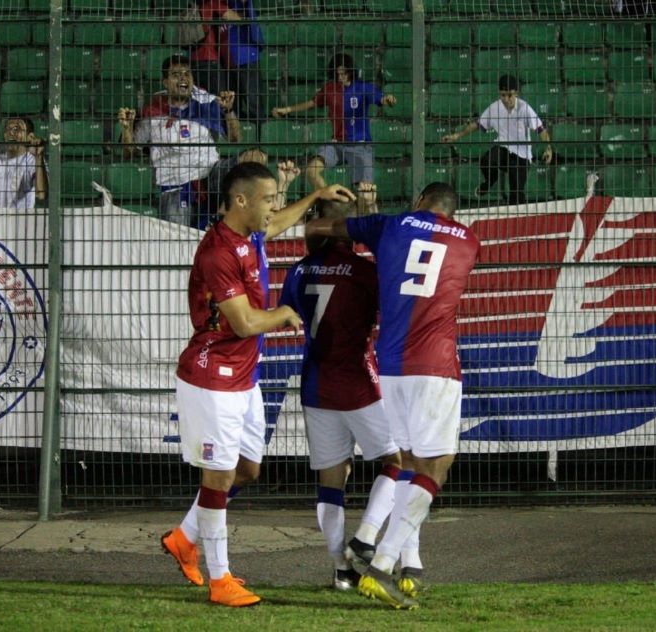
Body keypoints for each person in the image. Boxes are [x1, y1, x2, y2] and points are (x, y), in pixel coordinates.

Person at [161, 162, 355, 607]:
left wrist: (315, 195)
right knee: (219, 475)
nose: (274, 206)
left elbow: (278, 222)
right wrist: (284, 314)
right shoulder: (218, 253)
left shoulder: (250, 234)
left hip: (244, 375)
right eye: (268, 199)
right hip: (214, 377)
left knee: (247, 469)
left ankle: (184, 538)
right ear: (241, 200)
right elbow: (245, 323)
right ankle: (220, 579)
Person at [305, 182, 480, 609]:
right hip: (436, 364)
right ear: (451, 211)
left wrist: (334, 215)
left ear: (419, 201)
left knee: (408, 464)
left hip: (391, 366)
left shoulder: (389, 225)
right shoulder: (469, 240)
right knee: (436, 467)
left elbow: (326, 229)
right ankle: (381, 562)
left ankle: (402, 560)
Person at [277, 193, 403, 592]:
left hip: (316, 383)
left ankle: (340, 570)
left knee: (332, 478)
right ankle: (365, 538)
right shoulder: (365, 272)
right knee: (399, 461)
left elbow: (290, 316)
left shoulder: (298, 271)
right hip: (358, 381)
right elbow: (392, 313)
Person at [117, 55, 240, 229]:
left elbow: (235, 139)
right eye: (176, 75)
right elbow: (129, 153)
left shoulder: (206, 105)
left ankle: (222, 219)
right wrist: (127, 128)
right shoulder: (152, 111)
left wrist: (228, 111)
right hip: (175, 185)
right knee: (176, 238)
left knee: (252, 158)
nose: (183, 78)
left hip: (211, 176)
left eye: (187, 74)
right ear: (165, 82)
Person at [270, 53, 397, 191]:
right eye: (337, 74)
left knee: (366, 191)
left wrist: (389, 99)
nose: (340, 77)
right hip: (336, 144)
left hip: (359, 145)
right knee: (311, 171)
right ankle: (332, 199)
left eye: (343, 73)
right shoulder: (330, 88)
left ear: (350, 71)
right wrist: (287, 109)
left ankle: (357, 202)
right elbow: (311, 103)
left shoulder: (363, 87)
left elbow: (382, 99)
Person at [442, 74, 552, 206]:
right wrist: (457, 135)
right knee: (486, 161)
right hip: (503, 149)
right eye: (503, 95)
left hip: (521, 156)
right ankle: (490, 181)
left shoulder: (525, 108)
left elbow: (541, 129)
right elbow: (477, 124)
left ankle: (517, 212)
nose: (506, 99)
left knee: (516, 193)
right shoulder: (495, 108)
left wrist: (548, 148)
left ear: (516, 93)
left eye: (510, 95)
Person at [190, 0, 264, 125]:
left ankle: (259, 133)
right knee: (232, 103)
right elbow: (234, 17)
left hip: (242, 57)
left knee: (251, 101)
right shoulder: (213, 3)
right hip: (224, 60)